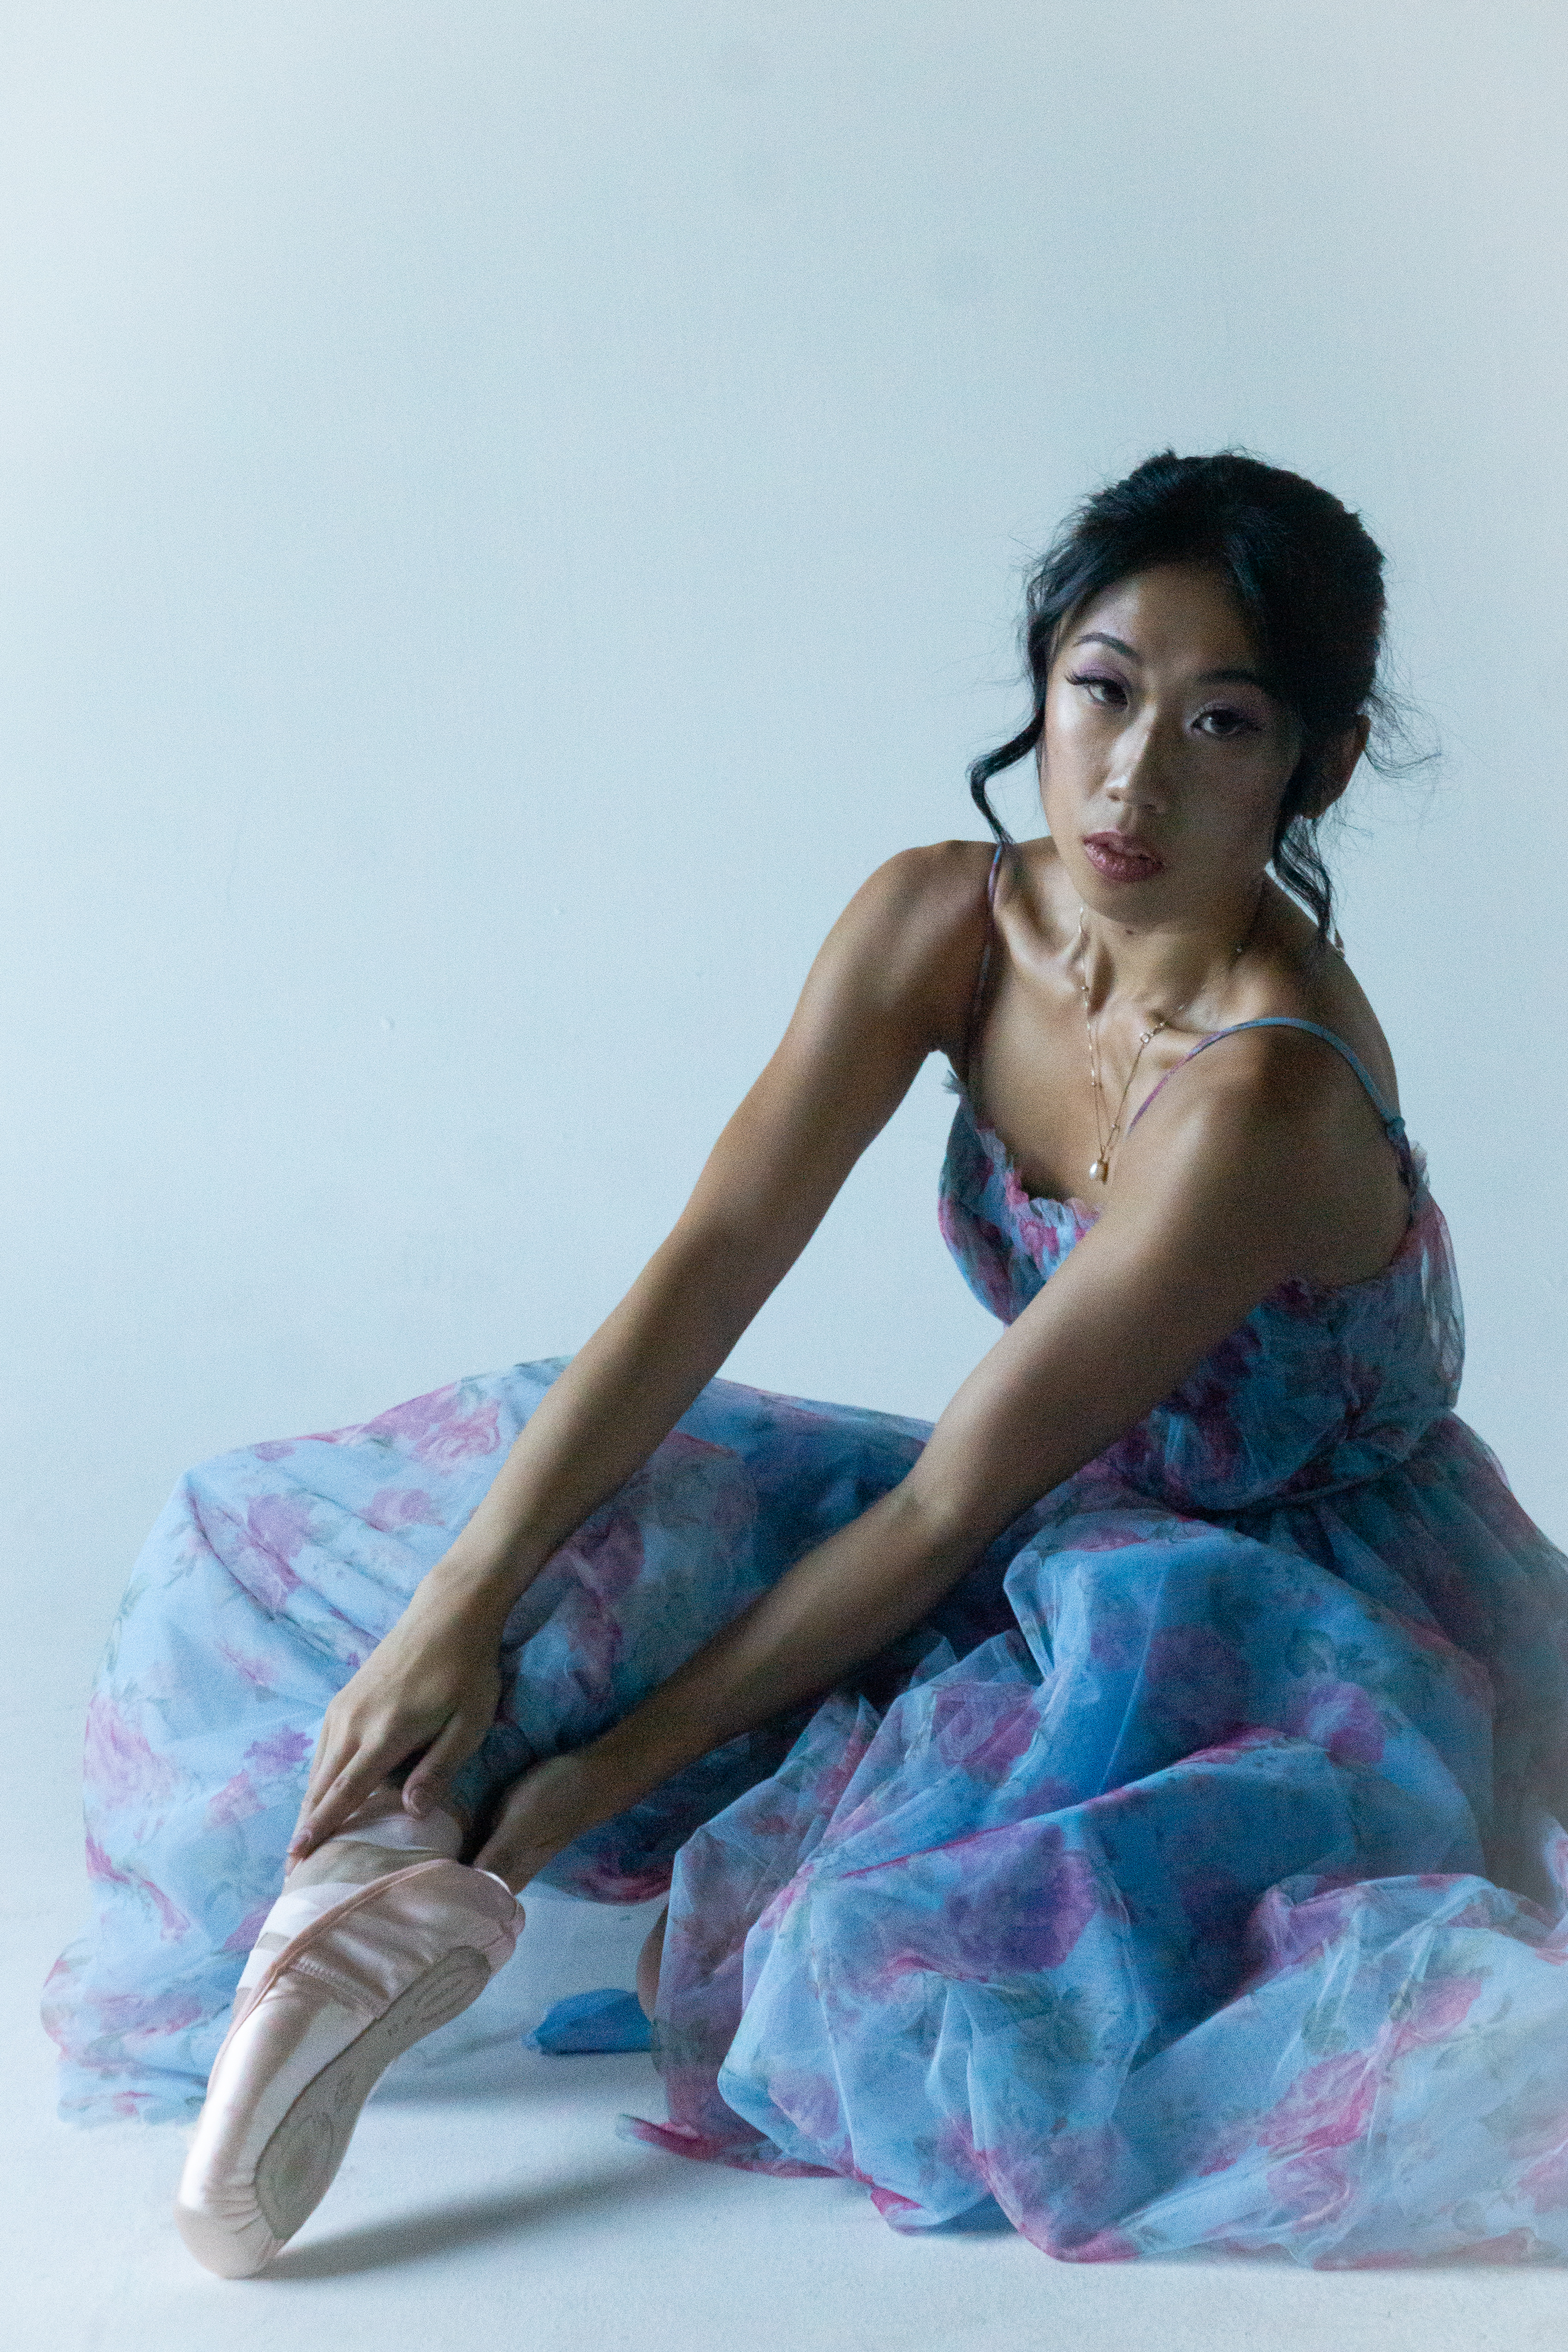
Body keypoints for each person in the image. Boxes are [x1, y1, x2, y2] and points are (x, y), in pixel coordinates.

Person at [46, 452, 1568, 2275]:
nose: (1135, 770)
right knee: (419, 1541)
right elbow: (708, 1265)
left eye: (1221, 720)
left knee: (905, 1947)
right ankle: (368, 1893)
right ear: (1041, 677)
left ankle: (475, 1859)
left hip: (1274, 1601)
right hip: (1044, 1501)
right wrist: (459, 1606)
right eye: (1103, 685)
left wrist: (586, 1788)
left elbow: (945, 1506)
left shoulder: (1259, 1093)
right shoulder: (944, 918)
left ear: (1314, 764)